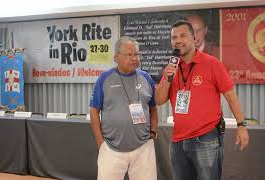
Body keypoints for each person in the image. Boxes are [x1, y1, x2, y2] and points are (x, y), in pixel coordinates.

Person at [155, 20, 249, 180]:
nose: (177, 40)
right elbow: (159, 100)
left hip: (206, 138)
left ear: (194, 38)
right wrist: (167, 79)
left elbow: (231, 97)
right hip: (178, 140)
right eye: (174, 37)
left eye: (183, 35)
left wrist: (241, 126)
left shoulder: (212, 64)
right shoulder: (170, 67)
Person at [89, 36, 158, 180]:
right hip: (111, 149)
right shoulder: (104, 79)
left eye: (137, 54)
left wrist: (153, 132)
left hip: (143, 149)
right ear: (116, 57)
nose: (135, 58)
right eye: (129, 54)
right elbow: (94, 110)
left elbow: (153, 108)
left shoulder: (146, 78)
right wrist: (100, 143)